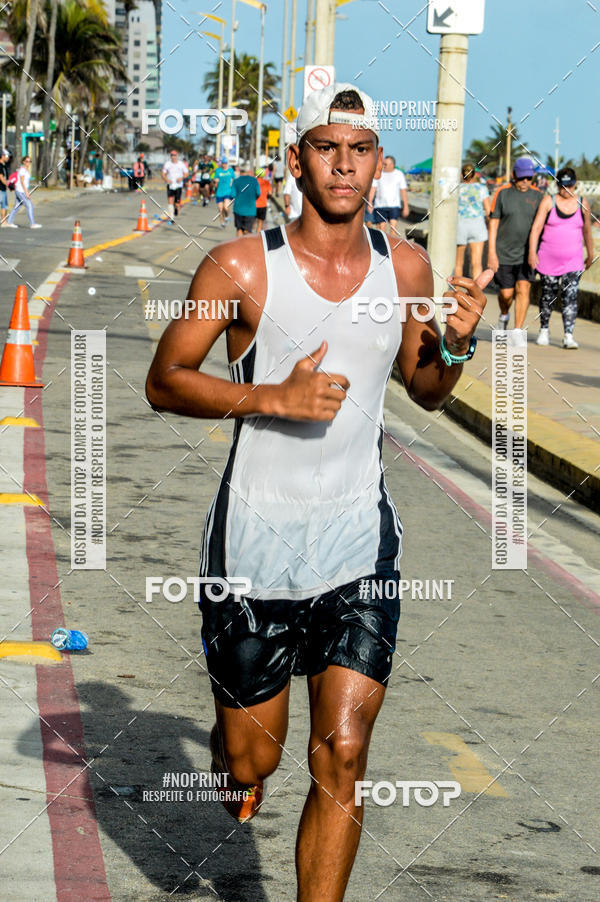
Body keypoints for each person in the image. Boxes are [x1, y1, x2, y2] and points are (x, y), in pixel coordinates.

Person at [146, 82, 490, 902]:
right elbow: (165, 379)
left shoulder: (405, 265)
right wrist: (271, 397)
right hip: (252, 545)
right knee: (251, 759)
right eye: (326, 148)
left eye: (360, 149)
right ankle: (237, 755)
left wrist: (457, 346)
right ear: (297, 160)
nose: (344, 164)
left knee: (342, 750)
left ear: (378, 163)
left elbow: (426, 387)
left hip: (355, 541)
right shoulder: (238, 266)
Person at [528, 167, 593, 349]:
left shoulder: (582, 203)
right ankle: (544, 330)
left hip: (573, 260)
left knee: (570, 297)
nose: (566, 190)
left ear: (575, 185)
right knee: (548, 294)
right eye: (562, 187)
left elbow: (587, 230)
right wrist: (532, 253)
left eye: (569, 186)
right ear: (557, 186)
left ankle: (568, 335)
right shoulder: (548, 201)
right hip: (548, 259)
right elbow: (536, 228)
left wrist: (591, 253)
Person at [488, 156, 542, 332]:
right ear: (513, 175)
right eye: (521, 177)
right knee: (506, 294)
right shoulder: (502, 193)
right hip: (503, 253)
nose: (525, 181)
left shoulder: (539, 196)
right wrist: (491, 253)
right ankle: (504, 315)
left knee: (523, 289)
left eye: (529, 177)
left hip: (527, 254)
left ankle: (518, 330)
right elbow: (493, 223)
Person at [455, 163, 491, 280]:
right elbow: (488, 210)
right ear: (475, 175)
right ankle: (476, 293)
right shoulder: (481, 188)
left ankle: (457, 293)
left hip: (461, 224)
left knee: (459, 263)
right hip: (477, 225)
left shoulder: (457, 188)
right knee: (477, 263)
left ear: (461, 174)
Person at [371, 155, 409, 235]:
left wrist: (406, 206)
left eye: (385, 164)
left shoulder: (399, 174)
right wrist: (370, 202)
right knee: (381, 229)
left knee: (393, 228)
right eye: (383, 163)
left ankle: (392, 246)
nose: (383, 165)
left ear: (392, 165)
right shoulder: (378, 174)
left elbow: (403, 191)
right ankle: (383, 245)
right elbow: (373, 189)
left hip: (394, 205)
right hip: (380, 205)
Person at [5, 156, 41, 228]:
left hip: (21, 191)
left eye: (30, 161)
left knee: (16, 207)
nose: (28, 163)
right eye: (27, 161)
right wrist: (26, 192)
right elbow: (21, 181)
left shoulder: (26, 170)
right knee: (29, 205)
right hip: (20, 191)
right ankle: (32, 224)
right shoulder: (22, 170)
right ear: (23, 162)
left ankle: (9, 222)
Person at [231, 167, 260, 236]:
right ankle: (246, 245)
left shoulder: (236, 181)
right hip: (250, 209)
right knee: (248, 231)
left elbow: (232, 194)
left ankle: (238, 245)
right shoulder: (254, 180)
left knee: (239, 229)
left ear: (240, 172)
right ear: (248, 171)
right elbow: (258, 193)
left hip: (238, 209)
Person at [161, 149, 188, 221]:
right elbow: (163, 174)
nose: (173, 157)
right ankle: (172, 217)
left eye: (174, 155)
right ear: (170, 156)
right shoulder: (167, 164)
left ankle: (176, 208)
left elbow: (186, 173)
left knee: (177, 203)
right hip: (170, 184)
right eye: (172, 155)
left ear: (177, 156)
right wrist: (166, 179)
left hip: (178, 185)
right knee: (170, 200)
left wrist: (181, 178)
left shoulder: (181, 164)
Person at [213, 156, 235, 227]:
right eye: (223, 163)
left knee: (225, 207)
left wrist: (232, 182)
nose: (224, 165)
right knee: (220, 209)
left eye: (225, 163)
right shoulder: (218, 170)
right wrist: (215, 181)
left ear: (227, 164)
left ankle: (227, 216)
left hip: (228, 192)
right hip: (219, 192)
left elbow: (234, 178)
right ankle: (222, 222)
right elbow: (215, 179)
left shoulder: (230, 170)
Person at [254, 166, 272, 232]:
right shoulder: (267, 183)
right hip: (262, 205)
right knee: (260, 224)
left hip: (253, 205)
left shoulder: (253, 182)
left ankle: (250, 236)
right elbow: (270, 193)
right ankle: (256, 238)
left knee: (252, 223)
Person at [0, 149, 10, 226]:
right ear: (2, 156)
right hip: (0, 189)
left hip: (3, 188)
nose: (8, 157)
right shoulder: (0, 165)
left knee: (5, 205)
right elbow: (1, 177)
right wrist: (8, 184)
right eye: (6, 156)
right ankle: (3, 221)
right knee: (4, 205)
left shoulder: (4, 165)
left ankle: (4, 221)